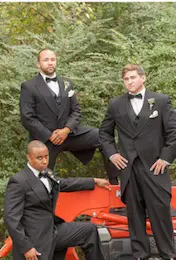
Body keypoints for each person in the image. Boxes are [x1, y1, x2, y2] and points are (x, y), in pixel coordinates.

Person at [99, 64, 176, 260]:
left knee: (160, 211)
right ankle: (139, 254)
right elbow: (104, 134)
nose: (130, 81)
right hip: (128, 167)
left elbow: (175, 132)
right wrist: (112, 155)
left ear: (143, 78)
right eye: (126, 79)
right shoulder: (116, 104)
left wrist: (165, 158)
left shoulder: (161, 101)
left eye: (133, 77)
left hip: (155, 167)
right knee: (134, 213)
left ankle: (168, 254)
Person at [20, 49, 119, 184]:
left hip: (68, 134)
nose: (50, 63)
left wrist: (66, 130)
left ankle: (115, 183)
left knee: (102, 136)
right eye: (46, 60)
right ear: (38, 64)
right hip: (45, 139)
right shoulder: (29, 86)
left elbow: (76, 111)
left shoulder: (67, 83)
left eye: (52, 60)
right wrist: (50, 136)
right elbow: (27, 118)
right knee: (42, 180)